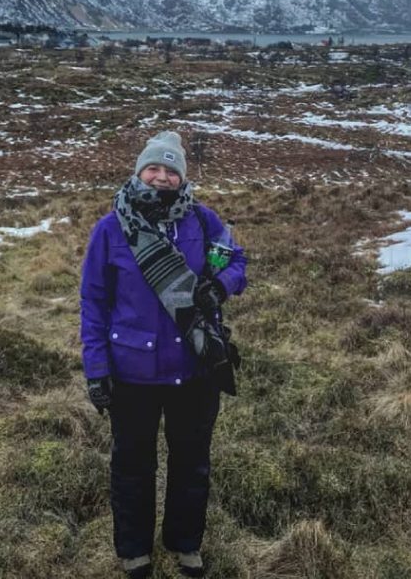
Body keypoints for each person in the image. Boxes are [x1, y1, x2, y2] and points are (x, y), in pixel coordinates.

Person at [80, 130, 248, 578]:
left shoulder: (202, 220)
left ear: (181, 177)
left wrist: (219, 285)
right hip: (131, 372)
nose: (161, 177)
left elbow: (237, 261)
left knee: (191, 463)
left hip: (194, 368)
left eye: (171, 169)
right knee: (132, 465)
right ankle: (135, 551)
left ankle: (185, 543)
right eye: (153, 168)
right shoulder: (111, 229)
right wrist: (96, 369)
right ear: (139, 172)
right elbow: (93, 302)